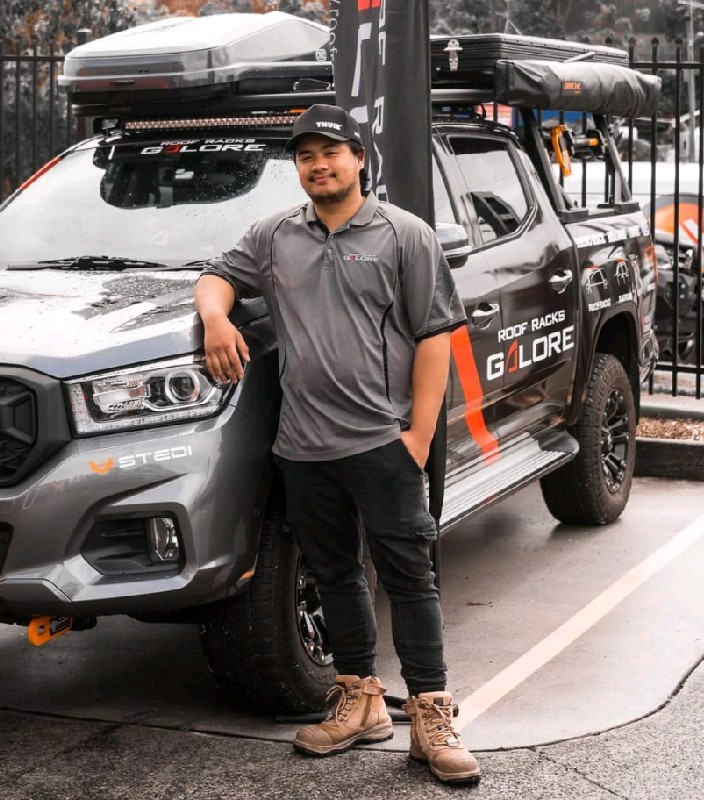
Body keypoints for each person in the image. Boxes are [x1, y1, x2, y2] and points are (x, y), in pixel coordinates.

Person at [194, 104, 480, 786]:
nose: (318, 165)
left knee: (410, 576)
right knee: (333, 574)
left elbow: (436, 334)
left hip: (382, 440)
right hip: (304, 444)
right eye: (305, 156)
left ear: (359, 159)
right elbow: (216, 275)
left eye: (330, 152)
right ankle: (360, 702)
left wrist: (415, 435)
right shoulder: (273, 236)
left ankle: (432, 717)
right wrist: (213, 317)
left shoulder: (404, 235)